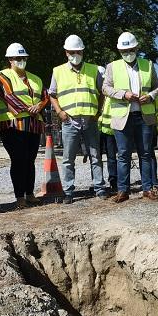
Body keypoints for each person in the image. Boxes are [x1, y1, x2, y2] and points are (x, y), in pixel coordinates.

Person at [102, 32, 158, 203]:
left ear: (136, 48)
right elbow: (105, 88)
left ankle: (148, 189)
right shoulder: (112, 67)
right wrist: (123, 94)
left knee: (146, 153)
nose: (127, 53)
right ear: (119, 51)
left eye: (130, 49)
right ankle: (123, 190)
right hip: (122, 117)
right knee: (123, 154)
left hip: (144, 117)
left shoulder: (148, 65)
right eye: (123, 50)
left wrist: (150, 96)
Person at [49, 35, 108, 204]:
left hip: (90, 120)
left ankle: (99, 187)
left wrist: (98, 112)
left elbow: (102, 92)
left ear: (82, 51)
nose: (75, 54)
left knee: (95, 155)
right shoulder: (58, 71)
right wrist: (60, 112)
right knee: (68, 158)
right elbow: (52, 94)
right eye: (71, 52)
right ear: (66, 52)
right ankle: (68, 191)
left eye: (78, 51)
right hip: (69, 121)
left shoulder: (93, 69)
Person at [0, 43, 50, 209]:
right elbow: (9, 97)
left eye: (23, 58)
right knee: (18, 160)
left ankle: (30, 194)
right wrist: (29, 109)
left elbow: (45, 96)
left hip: (33, 124)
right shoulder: (3, 76)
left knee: (30, 160)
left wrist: (39, 106)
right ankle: (19, 197)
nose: (21, 61)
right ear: (10, 60)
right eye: (17, 58)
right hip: (12, 124)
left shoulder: (36, 78)